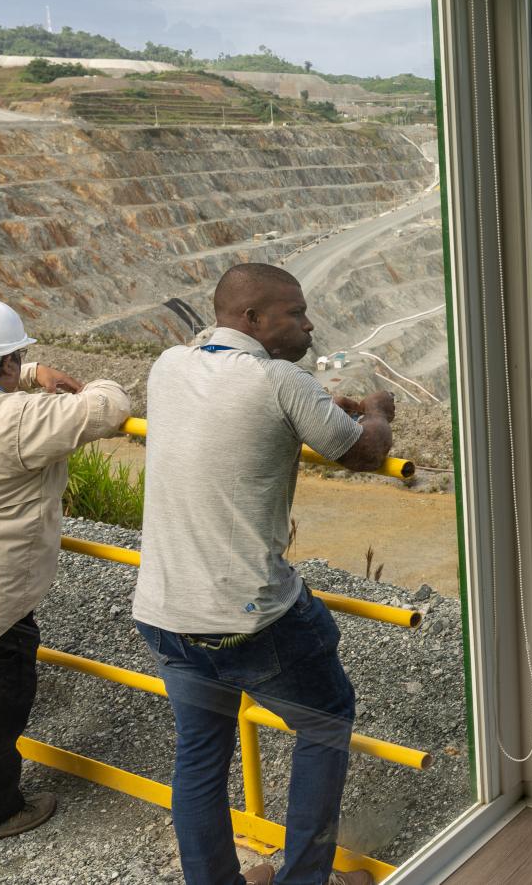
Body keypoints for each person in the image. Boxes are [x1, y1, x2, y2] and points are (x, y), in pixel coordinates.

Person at [133, 264, 393, 885]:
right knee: (326, 722)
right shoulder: (280, 379)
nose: (308, 324)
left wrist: (319, 407)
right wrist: (379, 411)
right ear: (252, 319)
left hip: (164, 610)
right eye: (294, 313)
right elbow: (363, 450)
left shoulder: (169, 365)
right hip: (249, 618)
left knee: (199, 755)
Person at [0, 294, 131, 846]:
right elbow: (108, 407)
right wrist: (95, 381)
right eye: (16, 360)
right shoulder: (10, 419)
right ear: (4, 365)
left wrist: (27, 371)